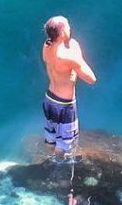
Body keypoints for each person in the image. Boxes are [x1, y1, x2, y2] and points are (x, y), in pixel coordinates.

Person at [41, 15, 96, 160]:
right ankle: (60, 163)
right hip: (64, 104)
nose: (70, 27)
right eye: (67, 26)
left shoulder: (46, 45)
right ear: (62, 32)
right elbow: (91, 79)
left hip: (49, 98)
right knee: (65, 141)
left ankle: (51, 157)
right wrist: (78, 56)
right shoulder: (69, 57)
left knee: (51, 135)